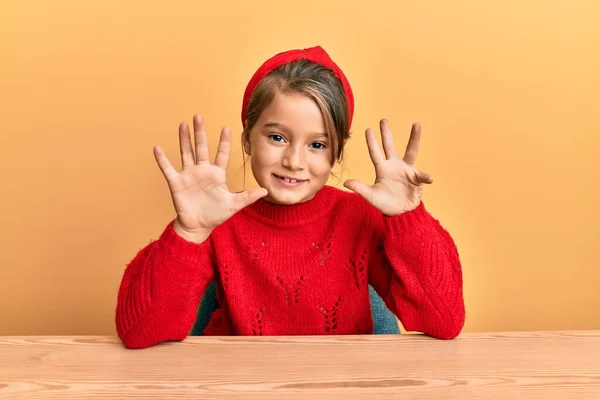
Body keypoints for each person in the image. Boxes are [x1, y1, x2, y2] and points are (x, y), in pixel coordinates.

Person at [115, 46, 465, 349]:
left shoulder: (359, 215)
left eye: (317, 144)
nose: (294, 162)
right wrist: (188, 233)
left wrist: (408, 217)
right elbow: (139, 332)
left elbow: (445, 320)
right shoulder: (216, 218)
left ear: (336, 154)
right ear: (248, 140)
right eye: (277, 138)